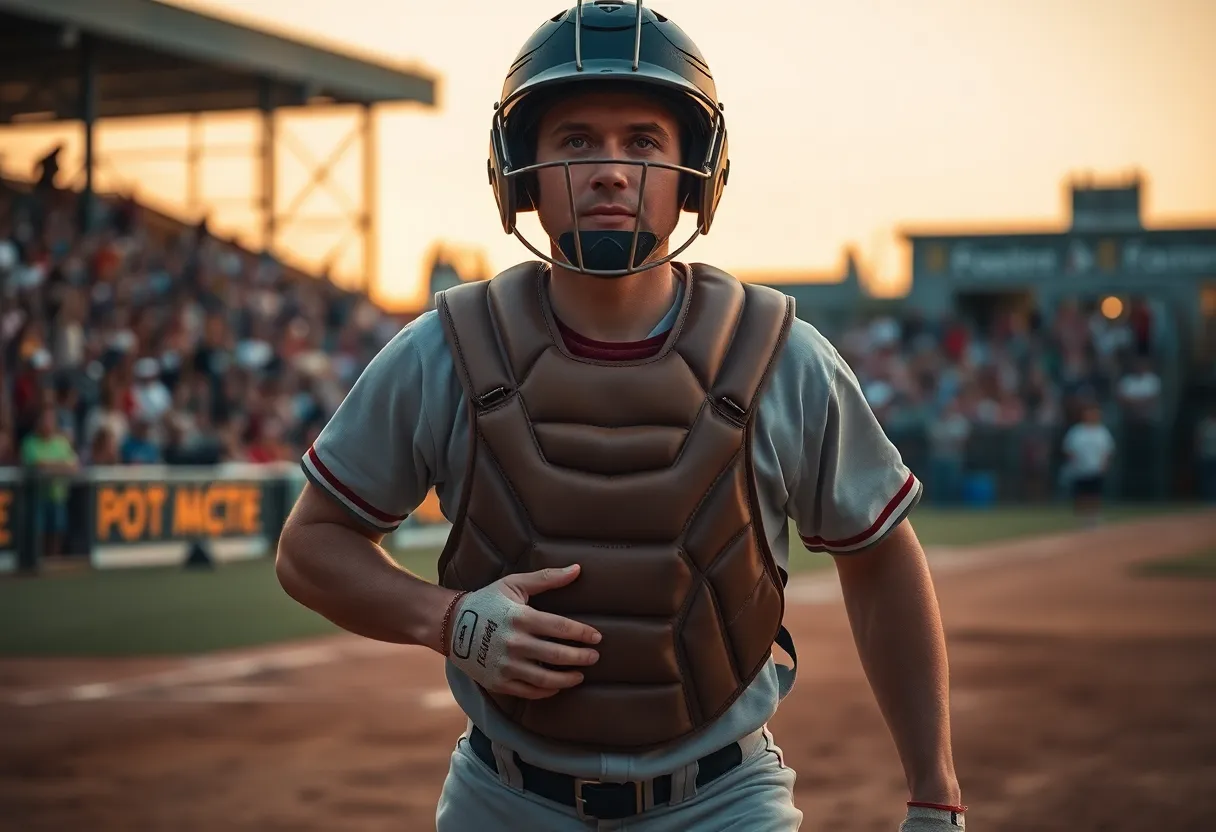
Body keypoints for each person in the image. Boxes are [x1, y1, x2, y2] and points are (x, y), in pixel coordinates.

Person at [276, 4, 963, 830]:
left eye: (644, 142)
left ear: (692, 172)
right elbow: (310, 546)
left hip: (722, 801)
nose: (608, 170)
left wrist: (935, 793)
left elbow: (882, 560)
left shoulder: (779, 353)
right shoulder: (445, 350)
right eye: (575, 141)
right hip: (503, 797)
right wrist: (447, 619)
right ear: (522, 171)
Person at [20, 406, 79, 558]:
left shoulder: (61, 442)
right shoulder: (30, 442)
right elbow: (37, 464)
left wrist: (51, 466)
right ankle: (37, 560)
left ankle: (54, 560)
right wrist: (60, 466)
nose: (48, 423)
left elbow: (73, 465)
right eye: (45, 419)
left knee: (57, 530)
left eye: (51, 420)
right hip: (37, 497)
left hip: (58, 496)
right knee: (38, 531)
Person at [1061, 403, 1116, 524]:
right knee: (1081, 492)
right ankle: (1080, 516)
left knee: (1095, 492)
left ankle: (1094, 515)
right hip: (1080, 468)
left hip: (1096, 467)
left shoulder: (1102, 431)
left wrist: (1104, 464)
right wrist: (1074, 462)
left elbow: (1107, 450)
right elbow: (1068, 448)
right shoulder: (1077, 431)